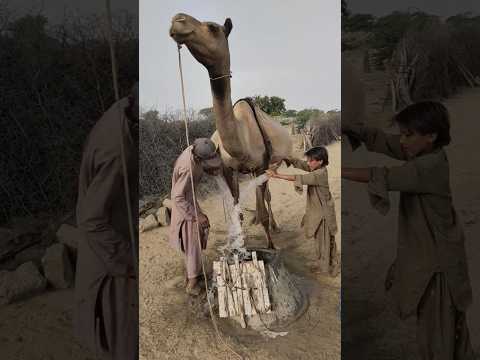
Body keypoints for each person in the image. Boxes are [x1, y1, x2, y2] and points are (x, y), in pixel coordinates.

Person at [342, 101, 474, 359]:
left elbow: (382, 176)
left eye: (408, 135)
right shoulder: (426, 153)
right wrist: (356, 130)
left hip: (438, 266)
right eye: (402, 134)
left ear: (431, 135)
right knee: (448, 332)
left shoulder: (427, 167)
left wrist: (339, 171)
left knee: (438, 336)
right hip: (435, 257)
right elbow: (388, 143)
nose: (402, 141)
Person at [74, 83, 139, 360]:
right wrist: (131, 260)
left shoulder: (123, 109)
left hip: (114, 246)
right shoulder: (118, 151)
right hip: (110, 268)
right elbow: (92, 221)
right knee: (122, 344)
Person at [266, 146, 339, 277]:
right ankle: (330, 264)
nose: (309, 163)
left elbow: (298, 178)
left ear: (320, 161)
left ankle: (325, 269)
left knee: (324, 242)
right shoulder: (316, 168)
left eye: (311, 160)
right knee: (323, 241)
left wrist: (276, 175)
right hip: (320, 210)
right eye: (309, 160)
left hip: (323, 214)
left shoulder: (319, 174)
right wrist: (287, 158)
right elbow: (301, 164)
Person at [169, 138, 222, 295]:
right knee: (193, 241)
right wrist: (196, 215)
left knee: (197, 236)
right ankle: (192, 283)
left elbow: (201, 164)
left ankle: (193, 274)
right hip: (184, 205)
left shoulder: (193, 149)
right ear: (199, 158)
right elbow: (177, 197)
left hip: (190, 199)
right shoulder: (188, 168)